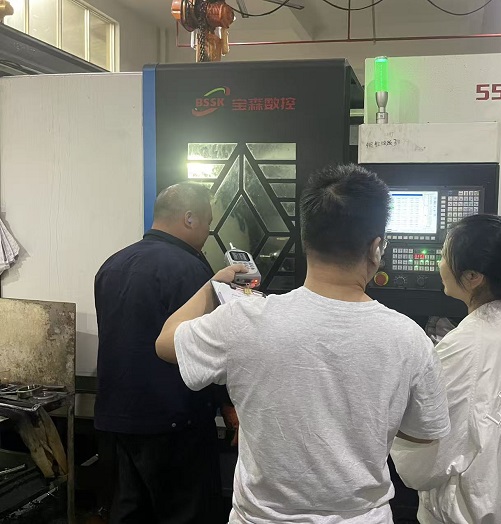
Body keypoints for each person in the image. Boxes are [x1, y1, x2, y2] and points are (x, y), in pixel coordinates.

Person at [155, 164, 452, 523]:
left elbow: (166, 342)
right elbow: (425, 432)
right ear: (376, 248)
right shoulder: (409, 338)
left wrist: (213, 286)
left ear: (305, 240)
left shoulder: (244, 320)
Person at [391, 215, 501, 524]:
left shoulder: (467, 348)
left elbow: (426, 461)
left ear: (472, 277)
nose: (439, 263)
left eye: (444, 255)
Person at [94, 183, 225, 523]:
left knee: (129, 512)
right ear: (189, 218)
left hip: (117, 419)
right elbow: (206, 348)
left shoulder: (111, 265)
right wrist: (228, 406)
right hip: (176, 421)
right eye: (208, 222)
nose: (208, 233)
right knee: (186, 514)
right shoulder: (191, 270)